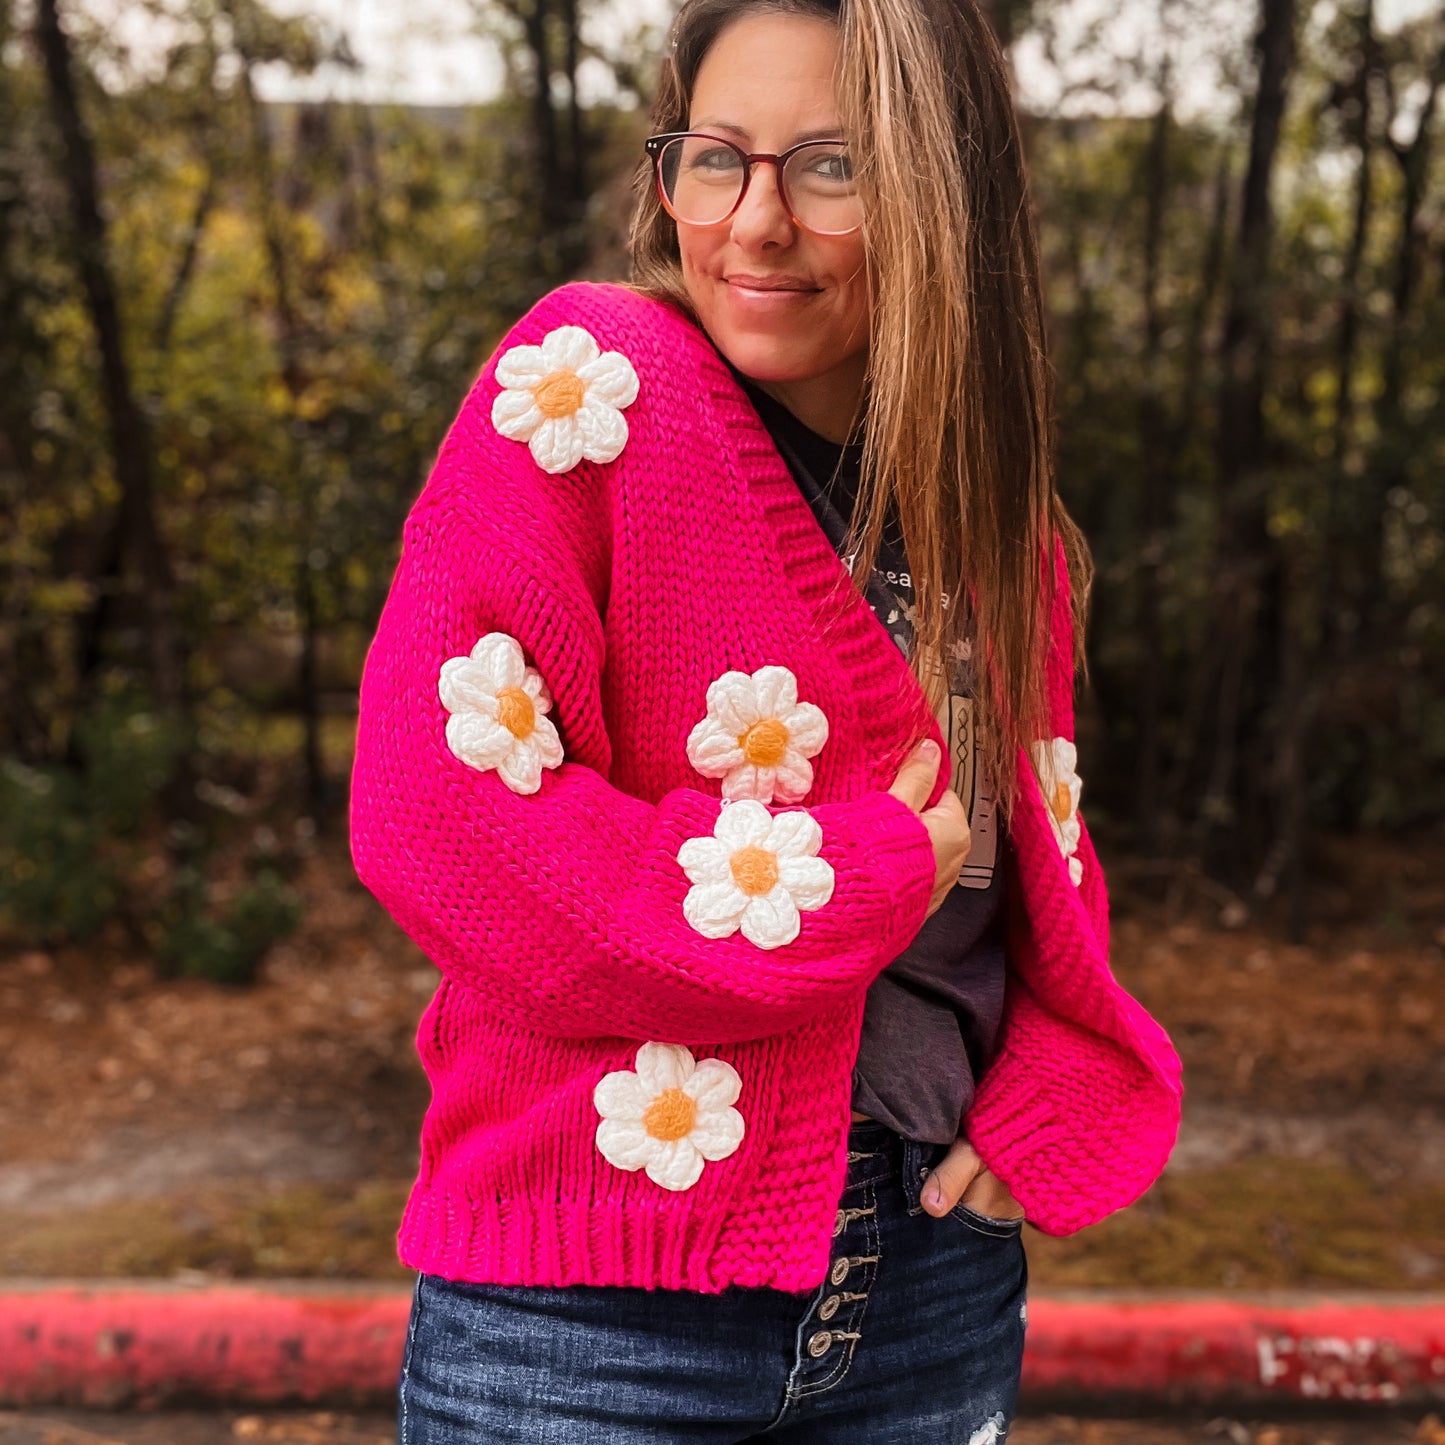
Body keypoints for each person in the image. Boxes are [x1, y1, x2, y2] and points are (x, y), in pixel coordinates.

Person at [348, 0, 1183, 1438]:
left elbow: (1028, 874)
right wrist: (836, 886)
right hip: (587, 1316)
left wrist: (1050, 1066)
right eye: (715, 158)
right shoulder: (587, 397)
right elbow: (441, 824)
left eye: (829, 166)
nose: (754, 222)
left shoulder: (995, 528)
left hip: (926, 1295)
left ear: (940, 191)